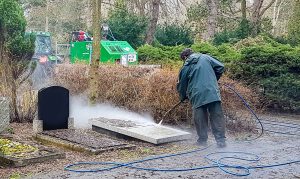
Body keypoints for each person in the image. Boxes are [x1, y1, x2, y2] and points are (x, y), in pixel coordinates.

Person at [177, 48, 226, 148]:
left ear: (185, 57)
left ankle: (202, 141)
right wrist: (213, 80)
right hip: (212, 91)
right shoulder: (205, 57)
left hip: (197, 94)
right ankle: (221, 141)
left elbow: (182, 85)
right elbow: (220, 67)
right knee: (217, 115)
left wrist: (182, 97)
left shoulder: (186, 66)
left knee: (200, 118)